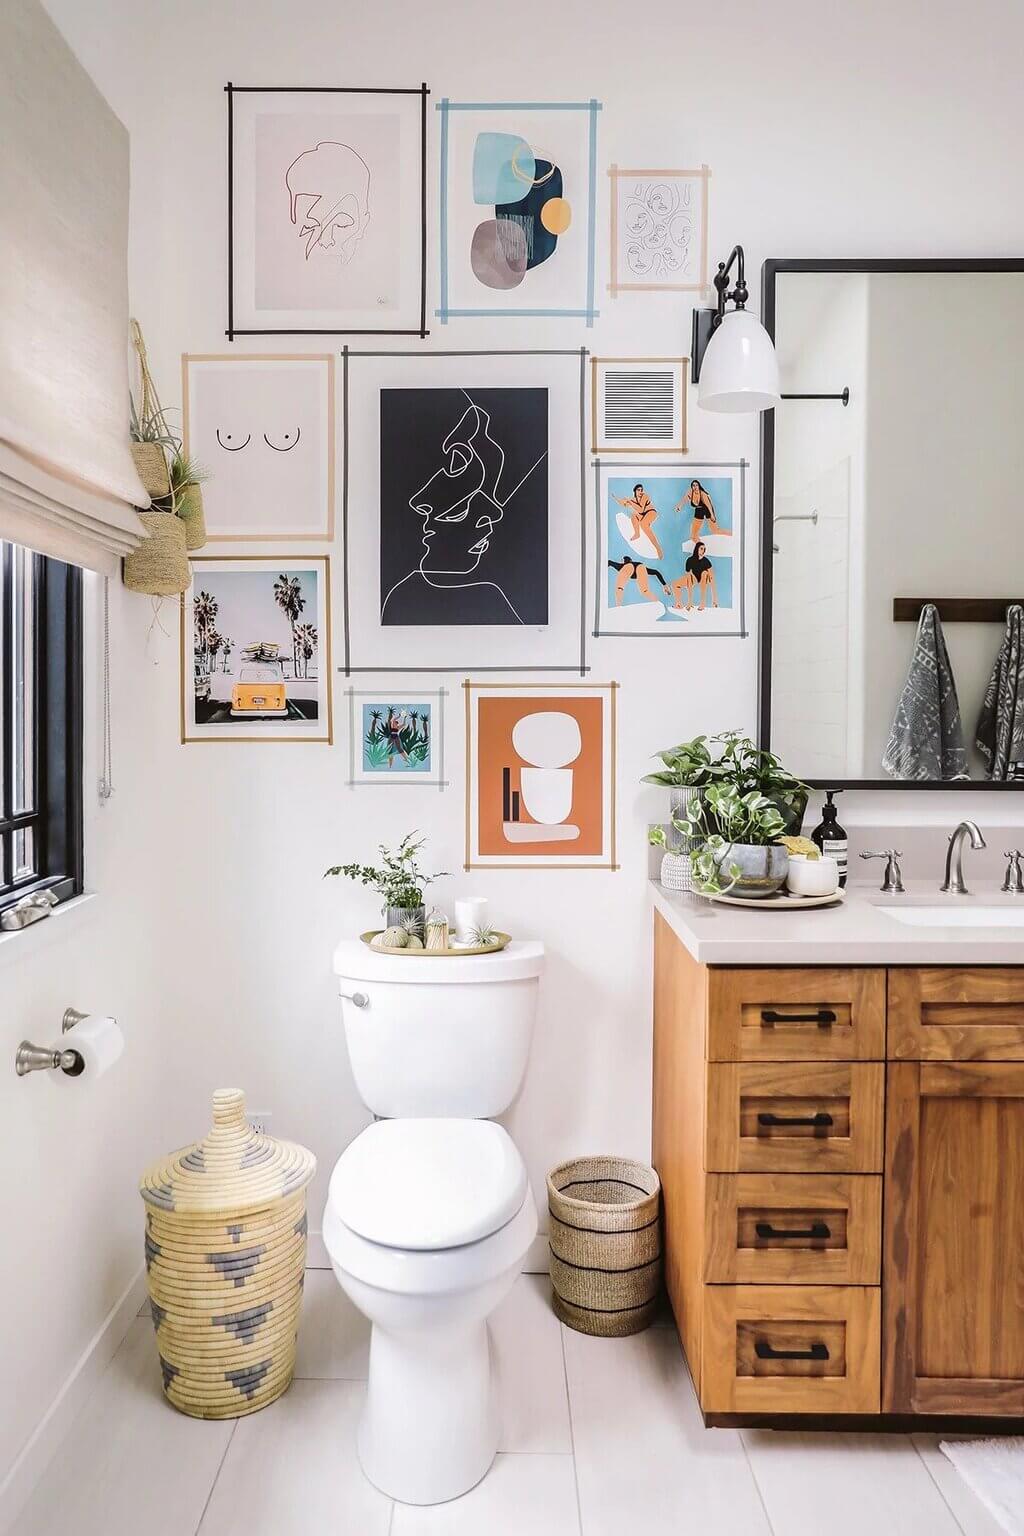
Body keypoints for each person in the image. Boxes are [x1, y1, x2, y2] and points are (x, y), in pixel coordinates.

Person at [613, 483, 664, 559]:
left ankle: (658, 548)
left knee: (643, 524)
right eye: (638, 490)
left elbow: (641, 509)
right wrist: (616, 498)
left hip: (651, 512)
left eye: (641, 490)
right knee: (633, 515)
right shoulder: (633, 499)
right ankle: (637, 533)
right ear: (635, 491)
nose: (640, 492)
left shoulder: (645, 496)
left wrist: (630, 502)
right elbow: (624, 504)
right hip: (643, 515)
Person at [674, 479, 730, 544]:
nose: (695, 487)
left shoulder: (703, 494)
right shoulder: (690, 492)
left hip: (707, 510)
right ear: (691, 487)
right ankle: (701, 547)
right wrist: (679, 506)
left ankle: (732, 534)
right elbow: (684, 500)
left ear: (699, 486)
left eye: (696, 485)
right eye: (693, 485)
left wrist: (712, 515)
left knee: (715, 530)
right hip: (699, 511)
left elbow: (709, 505)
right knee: (693, 536)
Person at [670, 541, 718, 611]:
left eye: (704, 549)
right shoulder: (689, 560)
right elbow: (688, 579)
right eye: (701, 548)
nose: (703, 550)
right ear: (697, 549)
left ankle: (702, 603)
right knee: (674, 584)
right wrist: (689, 601)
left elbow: (712, 578)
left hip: (705, 578)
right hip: (694, 578)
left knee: (704, 573)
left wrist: (714, 599)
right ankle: (679, 604)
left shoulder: (706, 561)